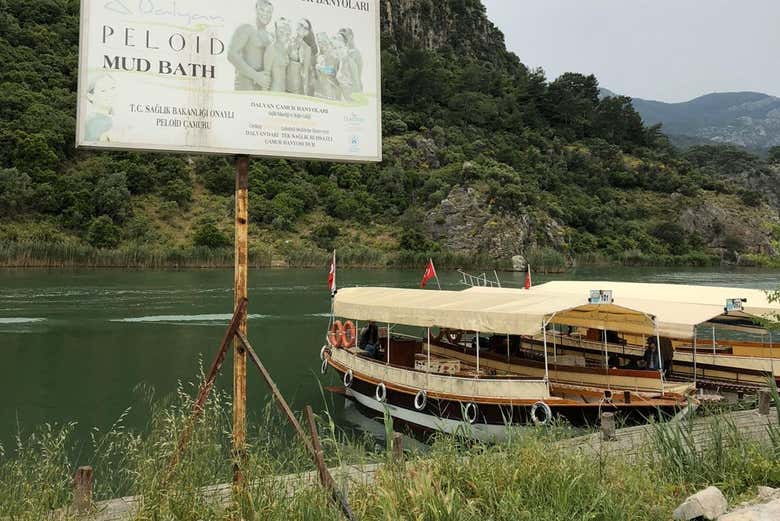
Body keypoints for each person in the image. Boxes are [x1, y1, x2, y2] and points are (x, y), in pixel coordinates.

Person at [227, 0, 274, 91]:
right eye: (262, 10)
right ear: (256, 10)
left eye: (269, 12)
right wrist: (256, 76)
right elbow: (231, 54)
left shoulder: (270, 36)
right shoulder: (246, 28)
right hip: (245, 85)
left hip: (263, 88)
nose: (265, 14)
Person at [287, 19, 316, 95]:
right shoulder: (288, 41)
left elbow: (305, 72)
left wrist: (305, 93)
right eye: (300, 24)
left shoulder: (307, 48)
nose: (301, 27)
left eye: (304, 27)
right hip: (283, 84)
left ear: (307, 32)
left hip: (296, 88)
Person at [264, 18, 292, 92]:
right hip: (274, 91)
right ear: (276, 31)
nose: (285, 32)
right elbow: (266, 75)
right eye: (281, 30)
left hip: (283, 90)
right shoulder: (271, 49)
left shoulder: (284, 49)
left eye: (287, 29)